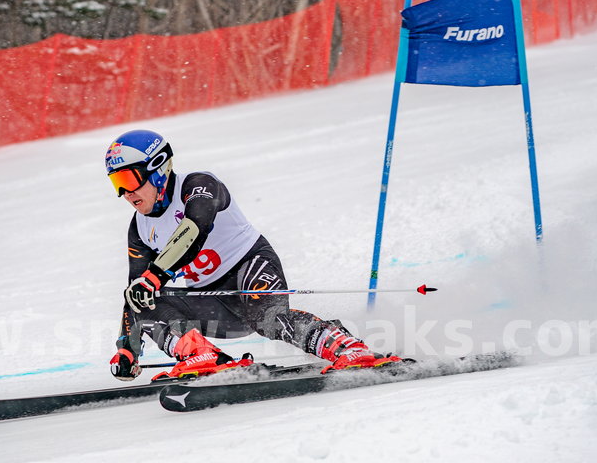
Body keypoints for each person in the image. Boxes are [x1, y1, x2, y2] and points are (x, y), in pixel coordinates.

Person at [104, 128, 401, 381]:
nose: (126, 194)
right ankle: (203, 356)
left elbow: (195, 228)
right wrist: (127, 347)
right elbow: (136, 292)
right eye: (117, 185)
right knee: (142, 296)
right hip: (214, 303)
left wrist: (156, 274)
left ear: (158, 169)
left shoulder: (199, 185)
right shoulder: (140, 229)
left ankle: (347, 348)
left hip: (251, 268)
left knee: (268, 319)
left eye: (130, 180)